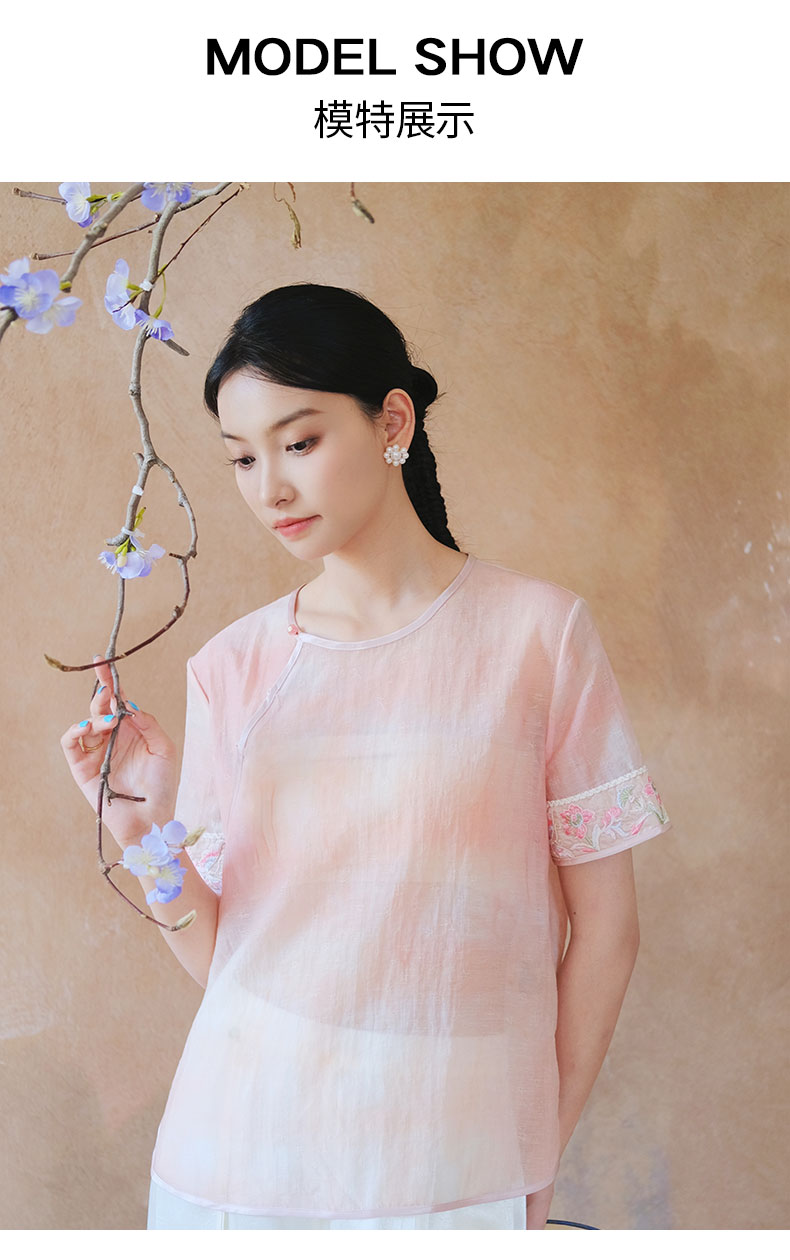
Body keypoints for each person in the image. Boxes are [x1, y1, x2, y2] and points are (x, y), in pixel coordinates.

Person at [61, 283, 672, 1231]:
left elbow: (607, 933)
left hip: (457, 1166)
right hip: (236, 1164)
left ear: (393, 421)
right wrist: (143, 836)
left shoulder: (537, 636)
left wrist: (535, 1151)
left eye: (299, 442)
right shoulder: (231, 666)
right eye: (242, 457)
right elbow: (237, 964)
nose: (269, 488)